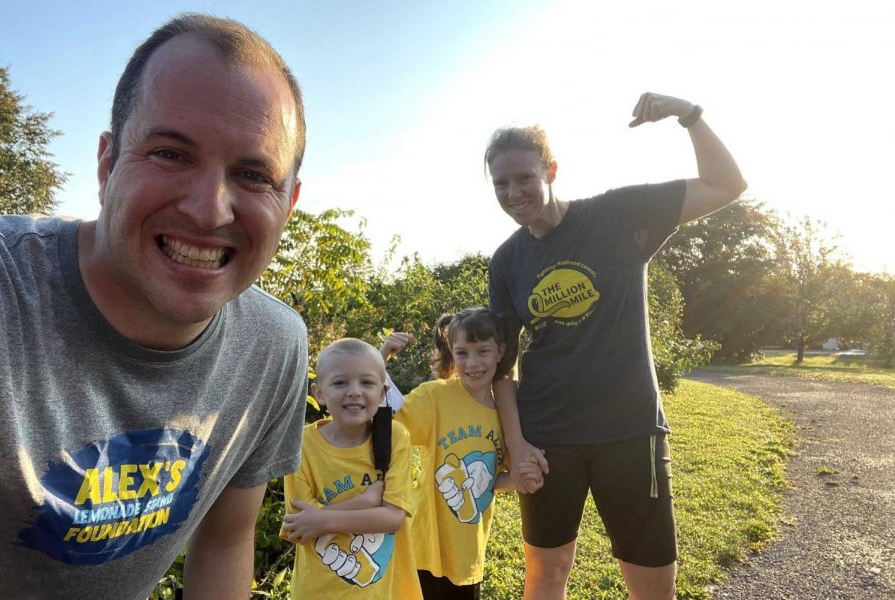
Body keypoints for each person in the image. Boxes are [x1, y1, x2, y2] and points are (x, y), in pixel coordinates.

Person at [0, 14, 309, 599]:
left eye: (252, 174)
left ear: (287, 203)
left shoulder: (274, 345)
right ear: (107, 164)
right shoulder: (7, 295)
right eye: (170, 154)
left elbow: (225, 540)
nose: (209, 210)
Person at [485, 93, 747, 600]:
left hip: (630, 433)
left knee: (651, 584)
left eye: (523, 178)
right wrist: (517, 447)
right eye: (501, 183)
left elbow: (726, 184)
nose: (513, 192)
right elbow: (502, 367)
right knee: (545, 573)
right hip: (547, 438)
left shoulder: (618, 215)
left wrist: (689, 115)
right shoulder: (506, 262)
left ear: (552, 170)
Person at [380, 308, 540, 600]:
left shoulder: (508, 413)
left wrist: (517, 479)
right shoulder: (435, 396)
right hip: (424, 544)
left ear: (500, 352)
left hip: (467, 547)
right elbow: (388, 412)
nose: (473, 362)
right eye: (462, 352)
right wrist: (380, 362)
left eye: (482, 351)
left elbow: (494, 479)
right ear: (452, 353)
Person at [280, 338, 422, 599]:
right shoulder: (302, 445)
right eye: (340, 382)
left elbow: (394, 518)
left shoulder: (393, 437)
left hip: (383, 592)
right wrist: (367, 501)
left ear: (382, 393)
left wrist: (321, 519)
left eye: (366, 382)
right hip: (319, 591)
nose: (355, 391)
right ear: (319, 392)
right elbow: (299, 527)